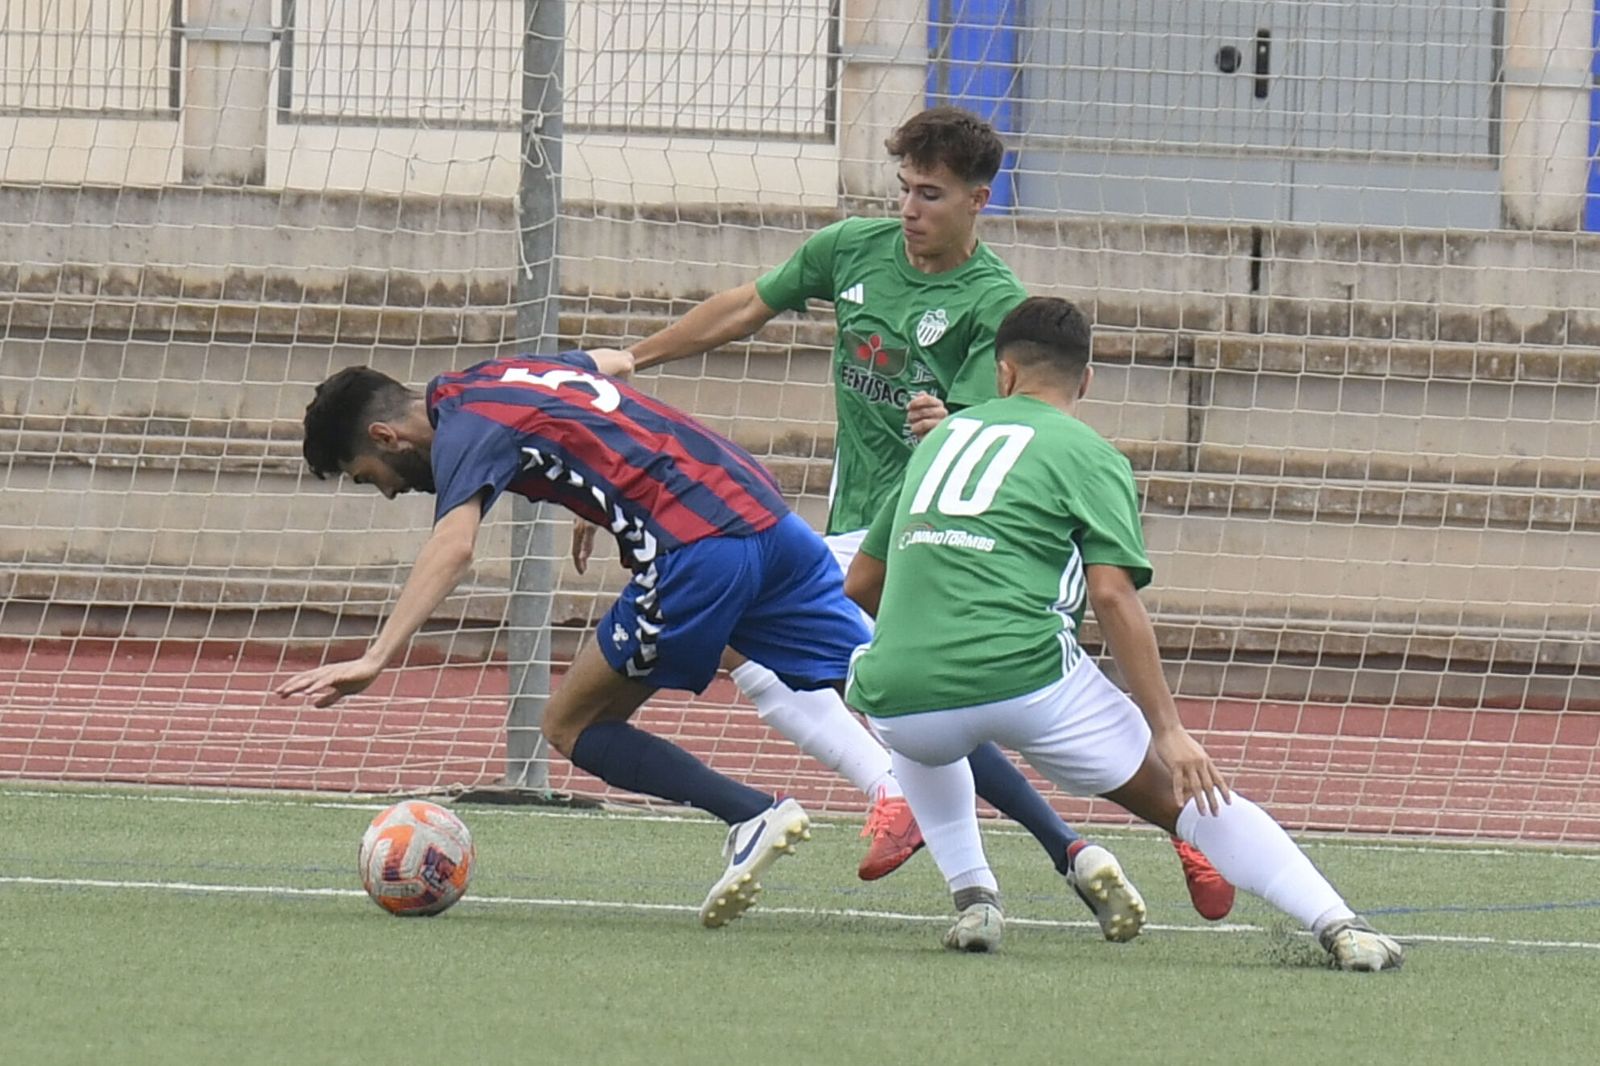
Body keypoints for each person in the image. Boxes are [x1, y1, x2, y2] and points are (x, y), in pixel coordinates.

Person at [618, 103, 1232, 924]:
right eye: (904, 189)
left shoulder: (995, 303)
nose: (909, 209)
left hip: (940, 542)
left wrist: (952, 423)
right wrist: (632, 360)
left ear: (979, 200)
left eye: (931, 194)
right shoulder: (852, 249)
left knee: (784, 647)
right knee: (903, 699)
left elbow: (1009, 432)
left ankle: (898, 794)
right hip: (860, 528)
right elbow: (745, 306)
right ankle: (1076, 852)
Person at [842, 296, 1404, 971]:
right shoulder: (1090, 453)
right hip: (1029, 680)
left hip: (899, 696)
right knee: (1185, 801)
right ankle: (1341, 926)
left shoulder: (939, 441)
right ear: (1086, 380)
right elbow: (1111, 594)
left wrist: (931, 645)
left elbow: (861, 582)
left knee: (922, 736)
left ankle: (976, 898)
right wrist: (1170, 730)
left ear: (1003, 373)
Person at [275, 349, 887, 930]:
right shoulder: (498, 377)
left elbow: (454, 547)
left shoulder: (463, 431)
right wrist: (595, 482)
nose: (387, 490)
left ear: (386, 437)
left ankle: (752, 813)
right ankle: (945, 843)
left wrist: (376, 656)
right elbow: (616, 365)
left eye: (368, 477)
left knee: (570, 724)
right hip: (762, 512)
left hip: (695, 544)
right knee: (887, 687)